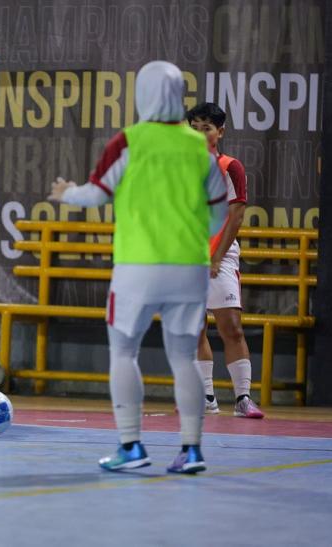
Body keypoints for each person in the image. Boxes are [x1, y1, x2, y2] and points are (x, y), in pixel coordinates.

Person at [48, 61, 227, 474]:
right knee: (184, 358)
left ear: (142, 94)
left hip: (137, 269)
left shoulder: (128, 141)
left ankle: (131, 446)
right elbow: (218, 216)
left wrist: (67, 192)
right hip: (191, 268)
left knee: (124, 351)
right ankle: (192, 450)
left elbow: (97, 195)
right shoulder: (200, 148)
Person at [187, 102, 264, 419]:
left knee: (231, 328)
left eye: (206, 128)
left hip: (220, 256)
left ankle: (243, 398)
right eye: (194, 127)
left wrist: (217, 256)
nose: (200, 134)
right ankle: (206, 398)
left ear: (220, 131)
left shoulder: (230, 166)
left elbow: (236, 215)